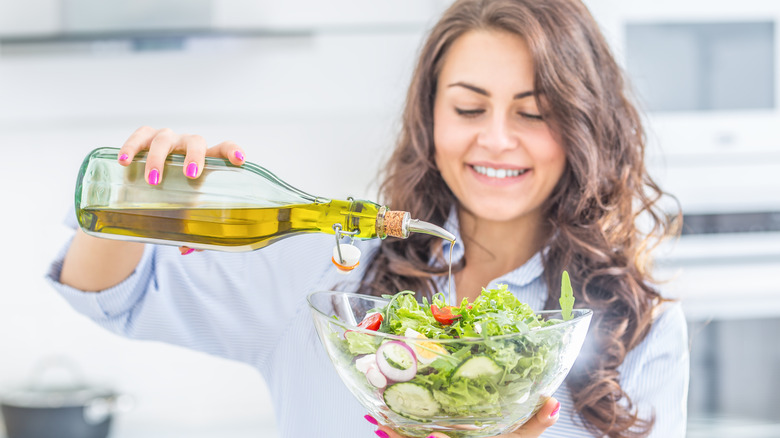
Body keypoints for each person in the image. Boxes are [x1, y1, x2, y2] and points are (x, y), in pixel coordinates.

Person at [48, 0, 689, 437]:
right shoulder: (329, 270)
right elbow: (113, 296)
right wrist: (129, 204)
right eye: (469, 109)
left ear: (584, 124)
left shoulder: (638, 324)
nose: (496, 140)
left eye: (533, 111)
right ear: (430, 118)